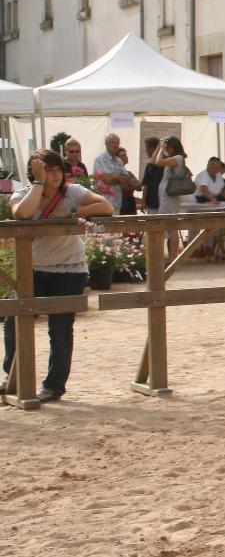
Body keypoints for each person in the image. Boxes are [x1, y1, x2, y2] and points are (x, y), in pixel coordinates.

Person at [1, 149, 113, 401]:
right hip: (33, 268)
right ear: (35, 172)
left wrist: (76, 214)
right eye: (47, 170)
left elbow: (105, 206)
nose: (54, 175)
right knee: (14, 323)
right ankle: (13, 375)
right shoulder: (22, 194)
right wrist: (39, 185)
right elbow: (23, 213)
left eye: (58, 170)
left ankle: (53, 386)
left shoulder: (72, 192)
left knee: (60, 329)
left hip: (69, 269)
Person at [152, 135, 190, 258]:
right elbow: (153, 160)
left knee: (171, 227)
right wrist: (159, 147)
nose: (166, 150)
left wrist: (161, 147)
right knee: (168, 226)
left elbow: (158, 162)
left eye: (168, 147)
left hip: (170, 197)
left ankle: (173, 256)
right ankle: (170, 255)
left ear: (173, 147)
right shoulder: (176, 158)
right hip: (166, 196)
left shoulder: (178, 158)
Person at [92, 133, 130, 213]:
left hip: (117, 203)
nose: (115, 145)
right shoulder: (99, 159)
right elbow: (107, 180)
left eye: (117, 143)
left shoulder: (119, 161)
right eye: (112, 142)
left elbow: (126, 180)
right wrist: (118, 178)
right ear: (106, 144)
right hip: (104, 203)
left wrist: (114, 177)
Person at [140, 136, 164, 213]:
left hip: (163, 201)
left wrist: (143, 201)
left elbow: (146, 185)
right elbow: (146, 184)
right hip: (152, 202)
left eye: (147, 148)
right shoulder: (149, 166)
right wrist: (143, 201)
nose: (146, 151)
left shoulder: (165, 163)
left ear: (152, 148)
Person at [116, 147, 141, 215]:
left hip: (130, 203)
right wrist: (131, 183)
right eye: (122, 156)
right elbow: (124, 187)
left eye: (126, 155)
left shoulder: (129, 173)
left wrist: (130, 183)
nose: (126, 157)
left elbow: (139, 187)